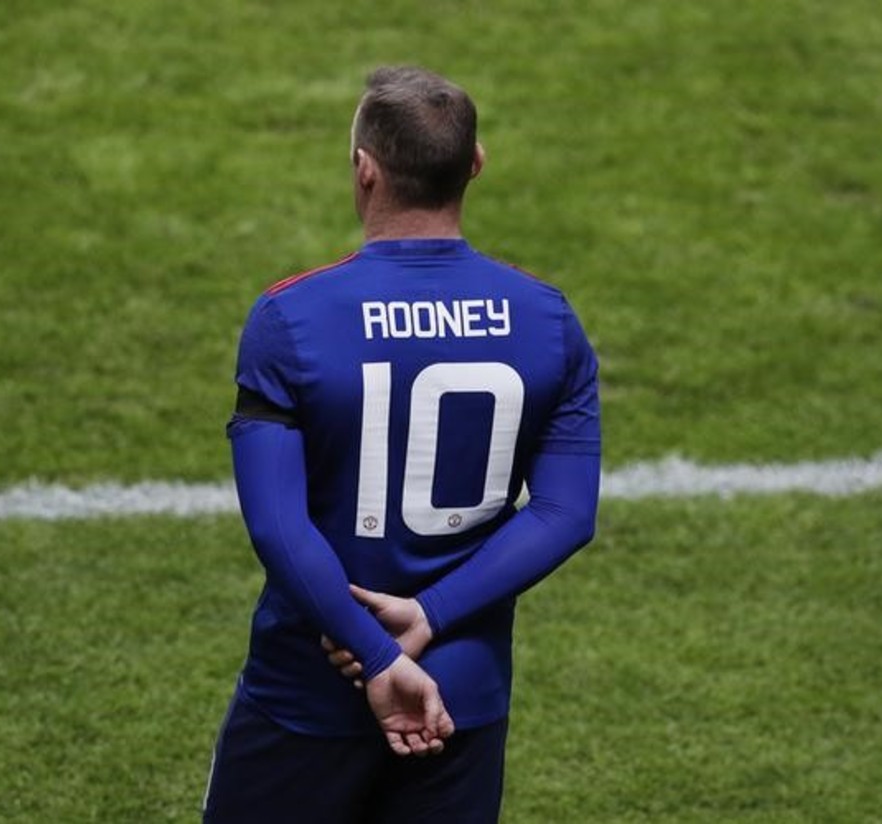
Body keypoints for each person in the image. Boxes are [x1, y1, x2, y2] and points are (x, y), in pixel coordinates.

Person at [202, 66, 601, 824]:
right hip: (459, 697)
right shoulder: (547, 320)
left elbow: (279, 526)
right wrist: (429, 615)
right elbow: (566, 514)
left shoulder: (292, 318)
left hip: (308, 690)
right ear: (475, 163)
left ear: (365, 169)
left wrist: (378, 655)